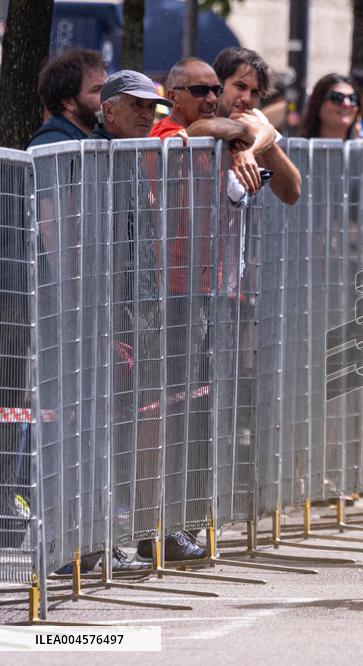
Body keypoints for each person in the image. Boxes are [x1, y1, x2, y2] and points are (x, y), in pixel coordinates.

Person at [92, 70, 210, 565]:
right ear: (108, 109)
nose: (147, 114)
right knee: (100, 429)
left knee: (150, 424)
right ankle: (93, 542)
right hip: (100, 320)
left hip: (139, 316)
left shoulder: (132, 159)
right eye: (136, 105)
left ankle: (150, 530)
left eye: (152, 107)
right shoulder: (90, 157)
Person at [152, 57, 267, 195]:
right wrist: (244, 131)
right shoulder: (164, 133)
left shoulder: (216, 134)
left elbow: (266, 132)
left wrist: (246, 149)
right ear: (172, 97)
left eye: (216, 90)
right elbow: (210, 127)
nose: (212, 99)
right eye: (200, 90)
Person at [213, 47, 302, 205]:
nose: (246, 98)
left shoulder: (256, 118)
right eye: (240, 86)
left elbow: (292, 193)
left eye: (254, 92)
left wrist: (262, 143)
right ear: (219, 84)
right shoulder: (199, 112)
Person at [29, 48, 108, 147]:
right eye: (96, 90)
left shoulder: (103, 135)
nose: (108, 95)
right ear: (68, 102)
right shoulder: (52, 146)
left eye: (107, 87)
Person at [300, 73, 359, 140]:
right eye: (337, 97)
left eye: (353, 98)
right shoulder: (296, 148)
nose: (346, 104)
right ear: (318, 104)